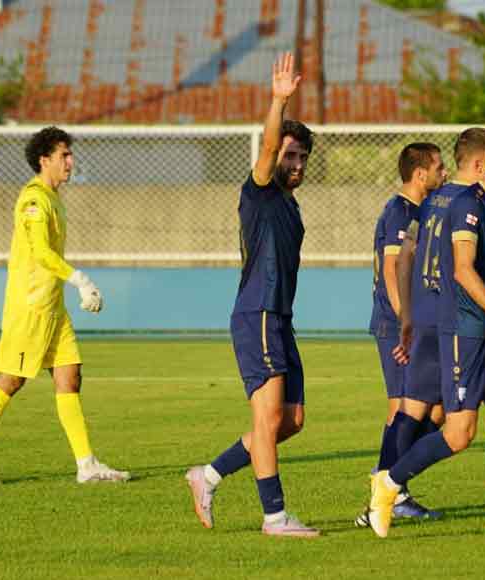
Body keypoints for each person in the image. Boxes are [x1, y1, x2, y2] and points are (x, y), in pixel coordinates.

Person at [367, 126, 485, 545]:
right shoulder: (464, 205)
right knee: (457, 433)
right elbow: (462, 269)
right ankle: (389, 481)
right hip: (465, 330)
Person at [185, 52, 318, 537]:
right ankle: (274, 517)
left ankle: (209, 474)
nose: (297, 163)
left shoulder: (291, 205)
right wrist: (279, 100)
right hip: (257, 313)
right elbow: (266, 147)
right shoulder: (259, 189)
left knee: (292, 420)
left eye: (303, 156)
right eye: (290, 155)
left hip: (280, 318)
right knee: (266, 420)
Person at [0, 126, 129, 486]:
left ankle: (86, 464)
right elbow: (40, 251)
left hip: (53, 306)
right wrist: (80, 280)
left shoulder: (54, 198)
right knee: (12, 380)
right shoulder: (33, 199)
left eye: (70, 154)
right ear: (44, 160)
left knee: (70, 374)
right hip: (31, 306)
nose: (71, 161)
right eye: (64, 155)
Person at [361, 142, 446, 524]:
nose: (444, 174)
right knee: (401, 407)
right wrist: (404, 322)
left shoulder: (421, 210)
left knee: (438, 411)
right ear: (419, 173)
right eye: (439, 168)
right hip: (397, 325)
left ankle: (391, 483)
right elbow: (394, 268)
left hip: (411, 324)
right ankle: (389, 492)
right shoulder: (400, 210)